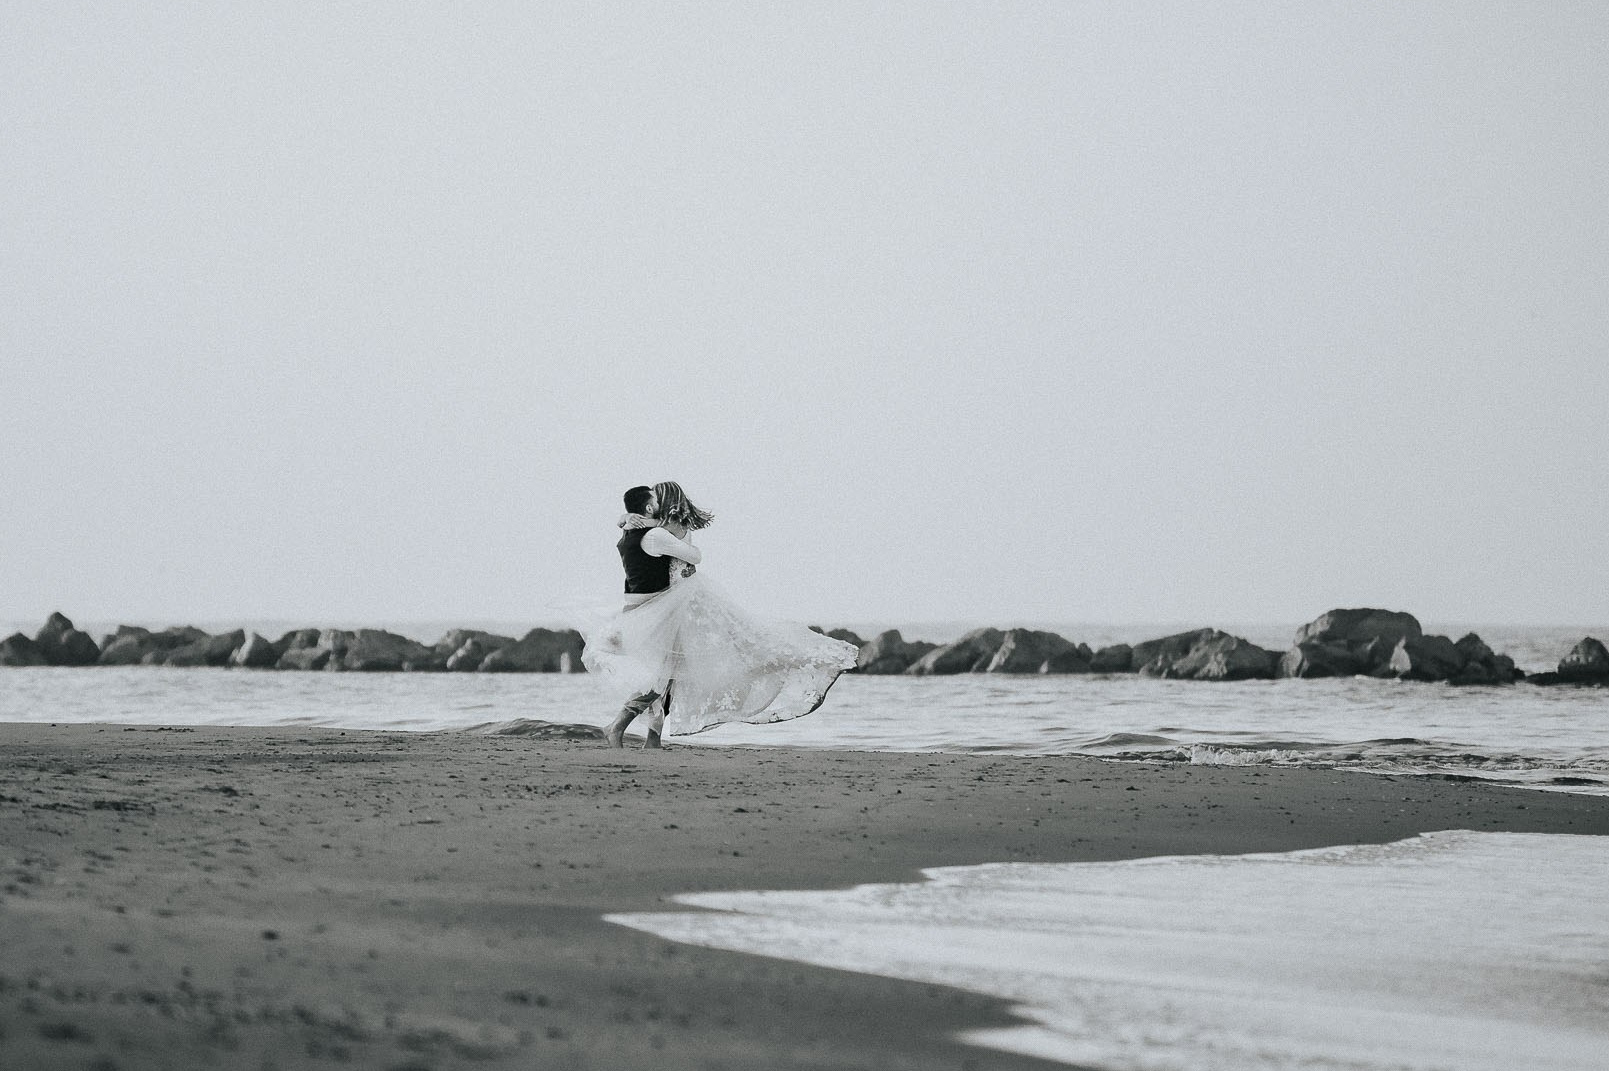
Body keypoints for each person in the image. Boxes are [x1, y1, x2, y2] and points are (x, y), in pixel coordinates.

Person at [582, 481, 858, 748]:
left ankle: (647, 736)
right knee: (664, 675)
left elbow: (683, 550)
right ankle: (622, 727)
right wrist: (631, 519)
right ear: (651, 508)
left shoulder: (653, 531)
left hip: (669, 610)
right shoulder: (652, 533)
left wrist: (631, 519)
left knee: (670, 675)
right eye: (652, 499)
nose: (656, 502)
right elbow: (691, 555)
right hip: (662, 611)